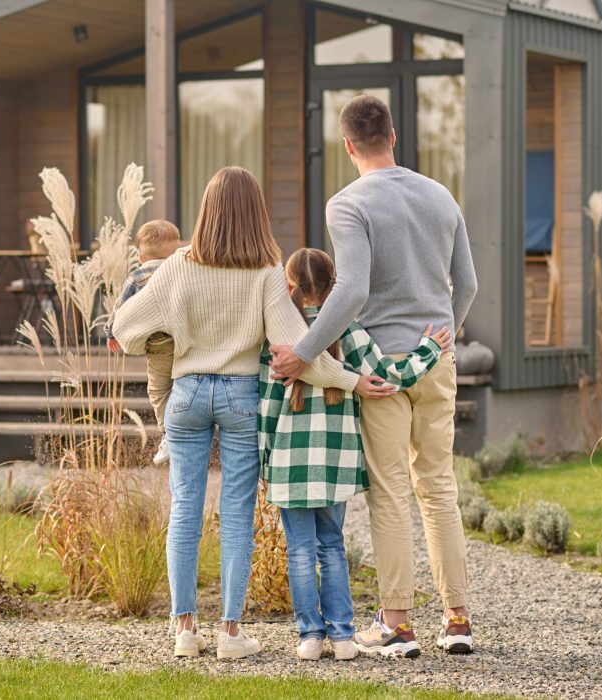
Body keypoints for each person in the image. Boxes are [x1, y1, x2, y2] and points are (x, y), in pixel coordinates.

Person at [111, 167, 395, 661]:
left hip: (186, 393)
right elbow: (297, 353)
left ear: (206, 211)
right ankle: (229, 633)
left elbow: (124, 327)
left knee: (184, 509)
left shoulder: (177, 265)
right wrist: (352, 380)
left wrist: (168, 339)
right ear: (256, 214)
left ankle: (184, 630)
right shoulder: (266, 273)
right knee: (237, 514)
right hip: (242, 397)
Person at [269, 95, 478, 656]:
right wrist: (441, 343)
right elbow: (469, 283)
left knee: (389, 495)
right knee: (439, 490)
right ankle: (456, 619)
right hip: (435, 361)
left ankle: (398, 625)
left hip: (379, 371)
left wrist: (304, 352)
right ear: (393, 134)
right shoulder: (440, 196)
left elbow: (352, 289)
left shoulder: (347, 204)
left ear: (346, 146)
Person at [259, 248, 450, 661]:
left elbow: (267, 405)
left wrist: (265, 459)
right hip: (337, 462)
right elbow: (389, 377)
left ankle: (310, 637)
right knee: (332, 546)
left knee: (300, 551)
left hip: (290, 465)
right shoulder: (349, 330)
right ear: (336, 287)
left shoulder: (279, 336)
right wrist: (429, 349)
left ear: (288, 287)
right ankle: (344, 637)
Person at [105, 219, 182, 466]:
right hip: (186, 341)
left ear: (140, 256)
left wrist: (110, 332)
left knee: (159, 390)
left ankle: (169, 433)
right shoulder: (182, 270)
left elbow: (120, 307)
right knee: (182, 385)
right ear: (177, 250)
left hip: (158, 346)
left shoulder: (137, 276)